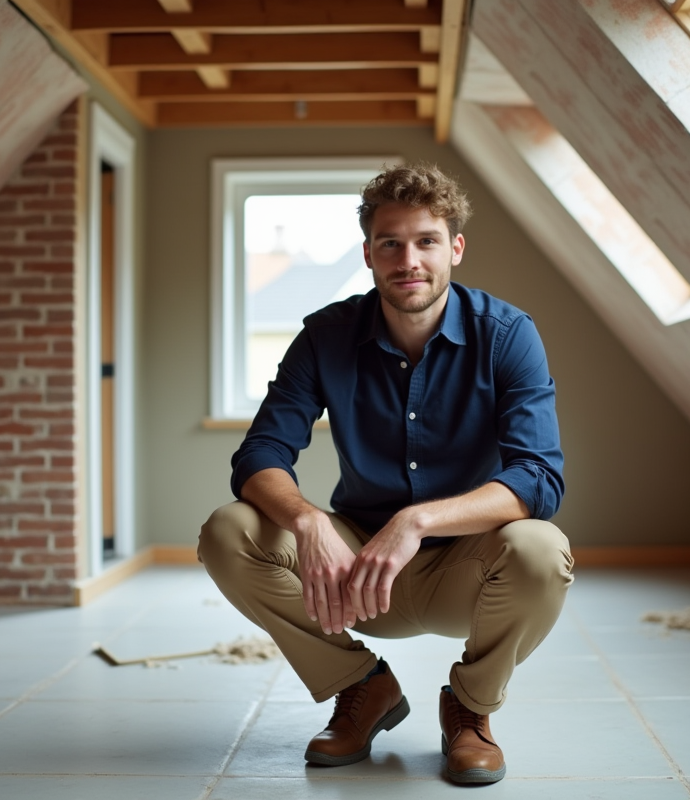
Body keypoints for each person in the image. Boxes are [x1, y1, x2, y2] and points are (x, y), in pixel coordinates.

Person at [198, 163, 573, 785]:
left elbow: (538, 477)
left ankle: (471, 709)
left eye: (426, 241)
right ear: (368, 253)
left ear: (455, 248)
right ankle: (362, 687)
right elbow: (259, 454)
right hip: (354, 572)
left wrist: (417, 521)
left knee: (541, 547)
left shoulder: (509, 335)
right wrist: (309, 522)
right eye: (391, 243)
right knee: (228, 530)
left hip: (470, 572)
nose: (409, 260)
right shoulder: (324, 336)